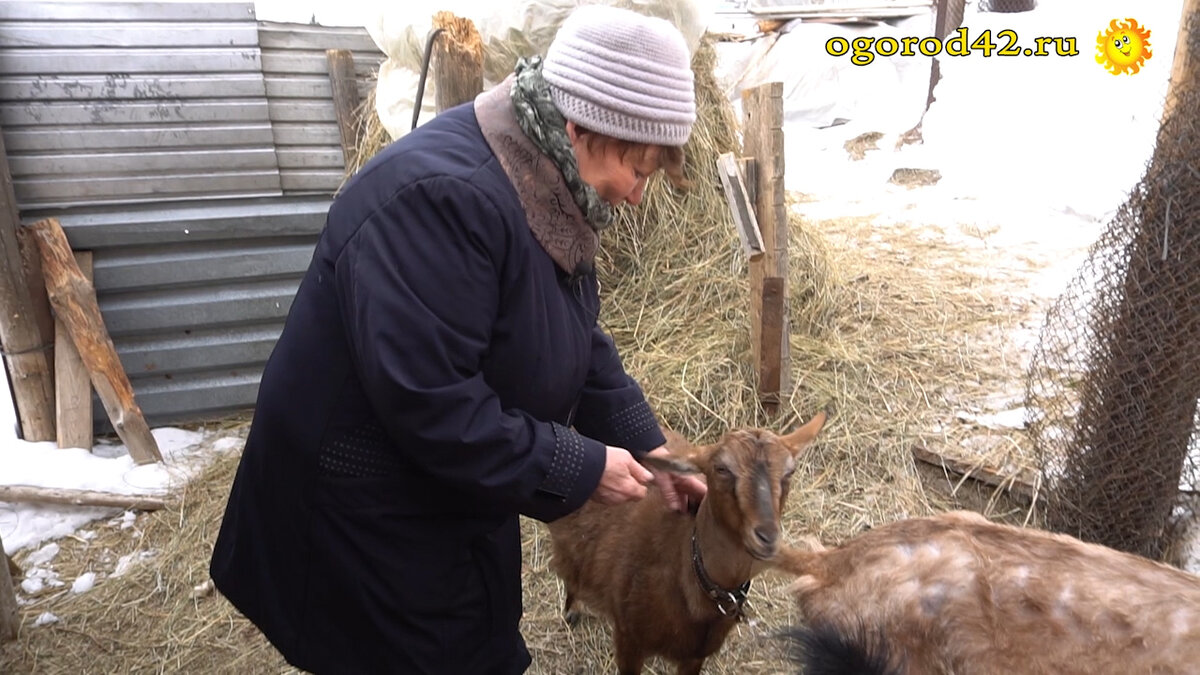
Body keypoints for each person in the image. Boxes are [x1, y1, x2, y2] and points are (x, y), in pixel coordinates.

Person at [209, 4, 706, 673]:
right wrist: (583, 465)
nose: (637, 196)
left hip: (445, 497)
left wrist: (647, 442)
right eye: (638, 170)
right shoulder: (442, 200)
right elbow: (434, 406)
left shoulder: (548, 185)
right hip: (357, 517)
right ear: (582, 128)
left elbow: (569, 333)